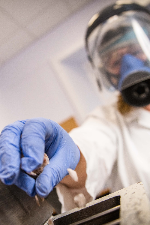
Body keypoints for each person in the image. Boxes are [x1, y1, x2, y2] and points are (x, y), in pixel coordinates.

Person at [1, 1, 150, 214]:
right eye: (115, 61)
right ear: (106, 73)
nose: (129, 65)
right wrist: (61, 153)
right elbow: (92, 145)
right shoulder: (108, 120)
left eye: (136, 51)